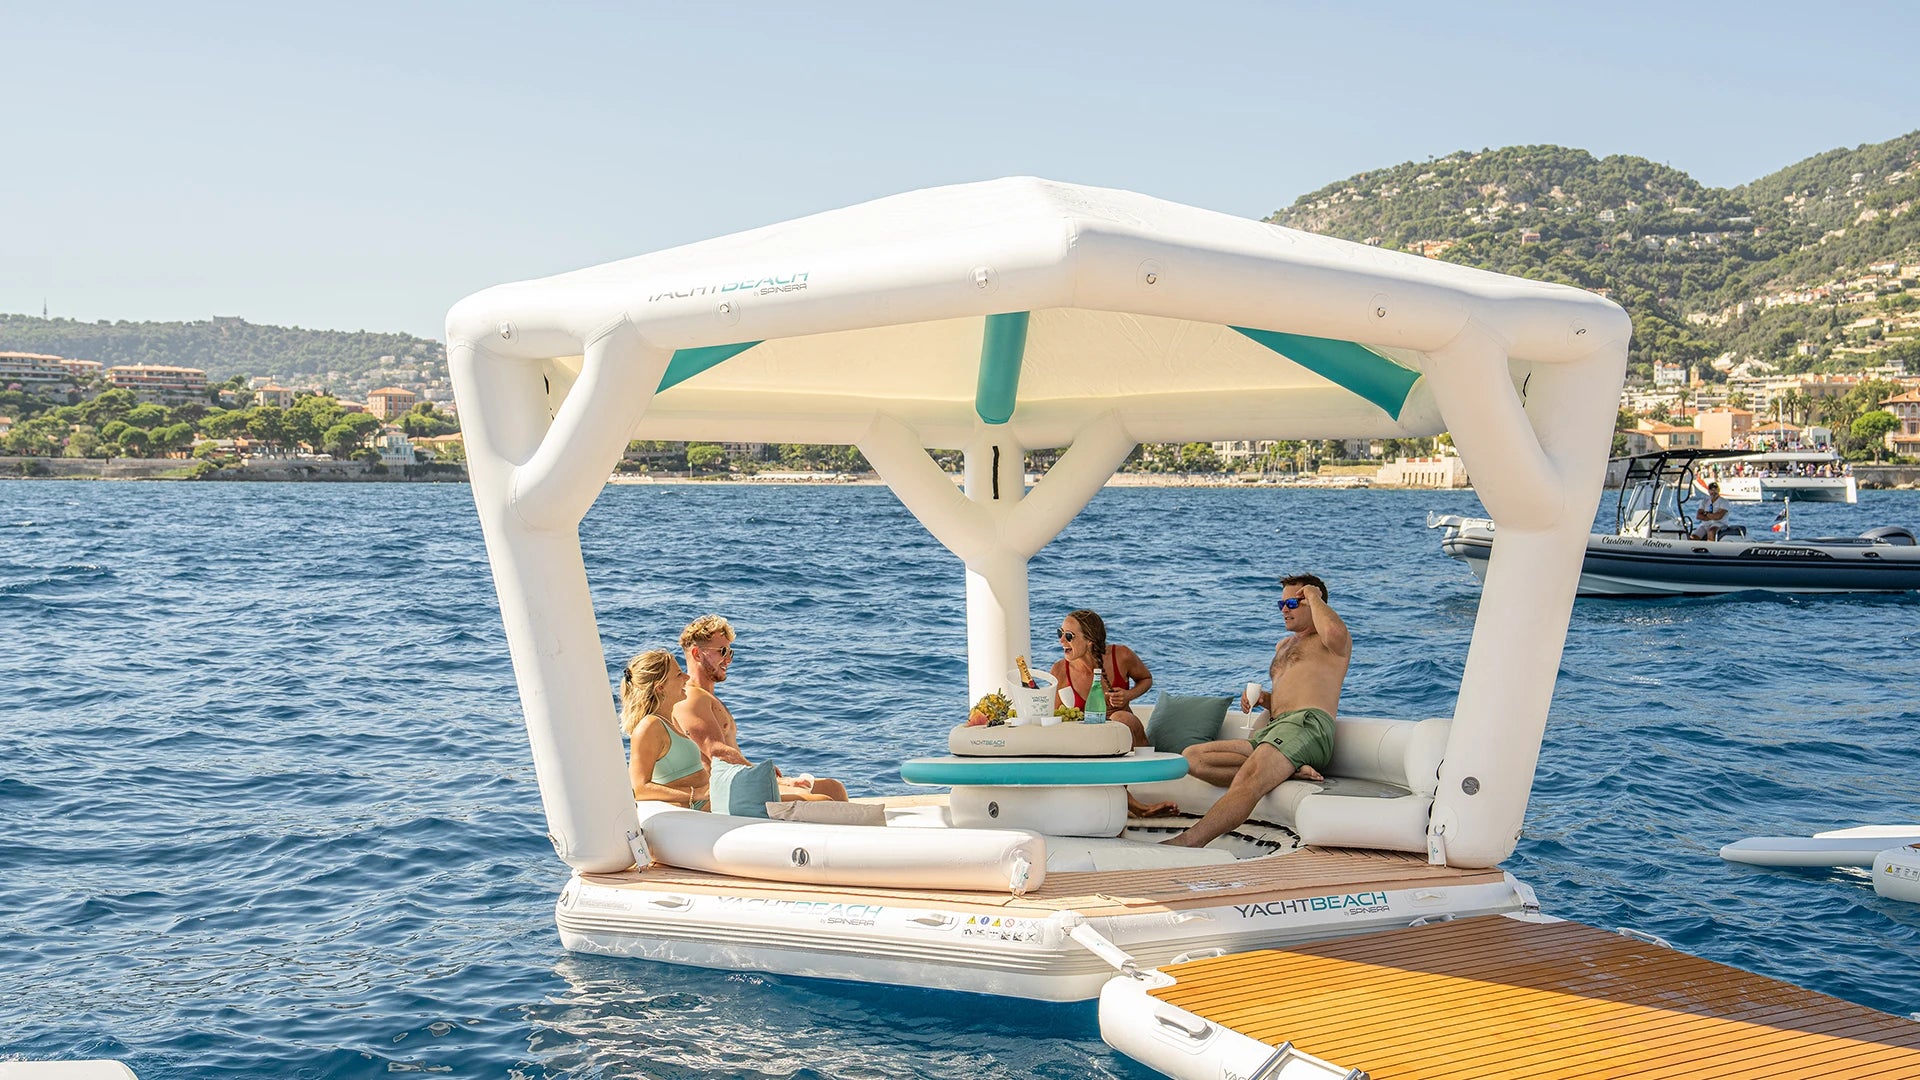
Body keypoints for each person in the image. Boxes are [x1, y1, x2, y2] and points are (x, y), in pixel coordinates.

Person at [1164, 574, 1350, 848]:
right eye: (1281, 603)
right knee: (1193, 758)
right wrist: (1264, 699)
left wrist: (1313, 595)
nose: (1284, 609)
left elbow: (1334, 633)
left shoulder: (1331, 641)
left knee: (1248, 778)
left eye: (1292, 602)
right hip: (1276, 729)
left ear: (1313, 603)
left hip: (1306, 725)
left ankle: (1188, 841)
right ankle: (1288, 770)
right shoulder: (1284, 645)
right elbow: (1288, 697)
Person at [674, 614, 850, 802]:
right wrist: (767, 777)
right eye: (722, 651)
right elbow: (716, 752)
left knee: (833, 788)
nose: (728, 660)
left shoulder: (707, 697)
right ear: (697, 654)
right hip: (726, 792)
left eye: (730, 653)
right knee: (821, 800)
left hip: (740, 781)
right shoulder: (691, 699)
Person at [618, 648, 709, 809]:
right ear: (660, 687)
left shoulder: (671, 719)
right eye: (678, 674)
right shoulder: (649, 727)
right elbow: (639, 789)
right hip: (694, 807)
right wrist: (696, 794)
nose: (687, 678)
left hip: (704, 804)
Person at [1049, 608, 1153, 747]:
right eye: (1059, 633)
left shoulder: (1121, 656)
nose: (1061, 640)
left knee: (1121, 717)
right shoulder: (1060, 670)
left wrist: (1128, 695)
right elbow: (1056, 716)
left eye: (1069, 636)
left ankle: (1141, 763)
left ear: (1089, 640)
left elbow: (1146, 678)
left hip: (1127, 736)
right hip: (1087, 739)